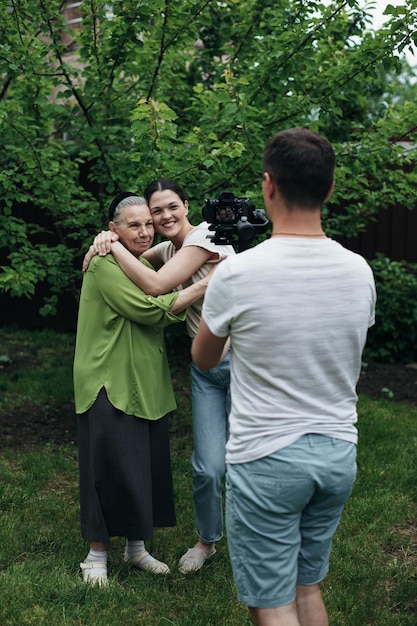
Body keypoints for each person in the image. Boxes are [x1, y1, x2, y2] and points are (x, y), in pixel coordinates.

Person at [191, 128, 376, 625]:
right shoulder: (360, 270)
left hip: (268, 459)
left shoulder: (238, 273)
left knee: (272, 608)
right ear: (330, 188)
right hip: (337, 454)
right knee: (307, 588)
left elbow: (204, 359)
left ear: (268, 185)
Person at [83, 178, 235, 574]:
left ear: (187, 205)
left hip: (239, 363)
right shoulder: (142, 253)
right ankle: (102, 554)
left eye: (167, 210)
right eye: (148, 217)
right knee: (199, 467)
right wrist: (106, 241)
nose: (153, 224)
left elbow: (151, 281)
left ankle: (137, 548)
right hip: (169, 371)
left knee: (146, 464)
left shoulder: (201, 240)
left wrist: (113, 240)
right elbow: (148, 291)